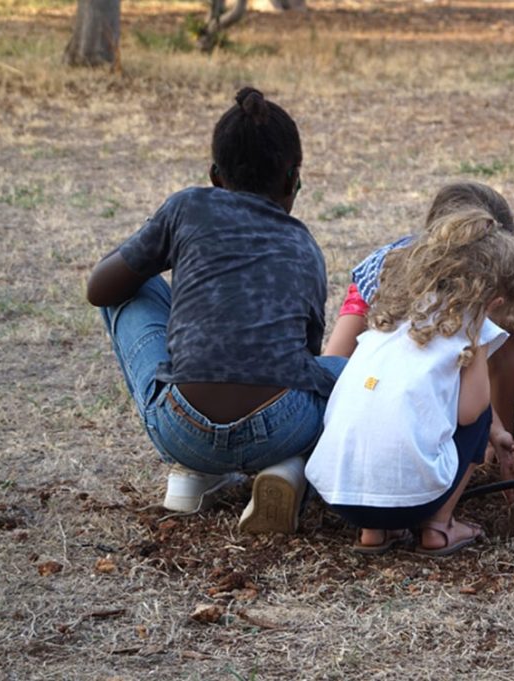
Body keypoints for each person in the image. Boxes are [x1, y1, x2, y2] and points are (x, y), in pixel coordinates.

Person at [86, 87, 345, 534]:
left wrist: (161, 252)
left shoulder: (187, 207)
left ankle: (193, 474)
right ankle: (288, 468)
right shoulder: (305, 245)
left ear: (215, 175)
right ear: (292, 180)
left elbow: (99, 288)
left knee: (131, 283)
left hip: (182, 428)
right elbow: (302, 358)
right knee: (341, 371)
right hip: (281, 425)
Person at [306, 206, 514, 555]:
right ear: (493, 302)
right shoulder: (470, 325)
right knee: (479, 413)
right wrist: (478, 346)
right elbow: (471, 414)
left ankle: (375, 533)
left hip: (339, 494)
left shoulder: (394, 316)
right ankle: (439, 528)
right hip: (411, 501)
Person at [322, 182, 514, 497]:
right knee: (333, 379)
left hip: (462, 319)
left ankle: (497, 443)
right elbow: (335, 365)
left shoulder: (486, 291)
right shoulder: (389, 275)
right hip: (392, 327)